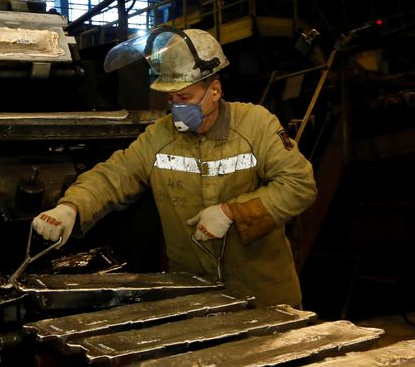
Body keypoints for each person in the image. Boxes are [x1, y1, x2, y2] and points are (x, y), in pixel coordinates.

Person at [32, 27, 317, 307]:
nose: (176, 107)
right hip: (195, 295)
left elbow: (299, 185)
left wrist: (233, 212)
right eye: (171, 99)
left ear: (214, 90)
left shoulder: (256, 125)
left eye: (185, 98)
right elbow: (114, 175)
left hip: (264, 296)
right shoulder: (160, 136)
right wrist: (71, 207)